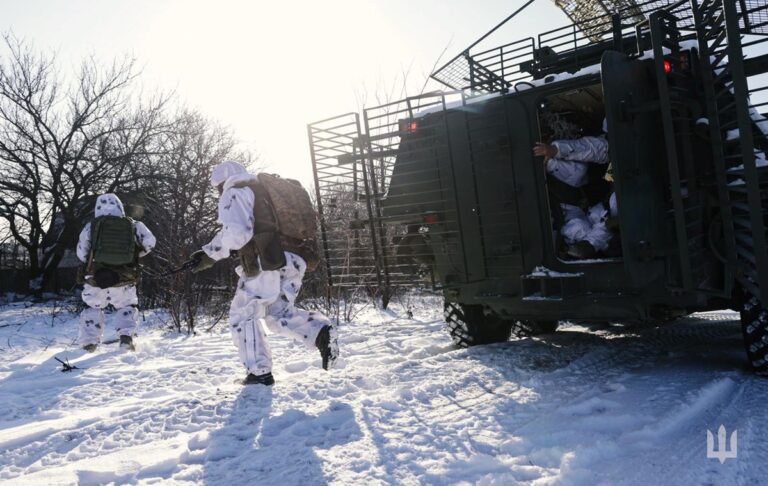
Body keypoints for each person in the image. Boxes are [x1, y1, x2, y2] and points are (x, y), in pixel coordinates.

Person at [191, 160, 338, 386]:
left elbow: (237, 234)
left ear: (221, 183)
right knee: (277, 313)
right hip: (294, 259)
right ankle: (320, 332)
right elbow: (245, 228)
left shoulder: (235, 190)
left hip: (267, 260)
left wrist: (214, 253)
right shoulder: (263, 191)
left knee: (243, 313)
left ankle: (259, 373)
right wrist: (210, 253)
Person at [76, 193, 156, 352]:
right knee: (126, 305)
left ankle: (89, 344)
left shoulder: (90, 226)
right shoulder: (133, 225)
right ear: (119, 207)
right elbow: (150, 243)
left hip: (95, 277)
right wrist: (134, 255)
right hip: (124, 276)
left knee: (93, 307)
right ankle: (126, 338)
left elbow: (81, 253)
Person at [533, 120, 615, 258]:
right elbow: (600, 231)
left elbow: (601, 148)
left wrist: (555, 150)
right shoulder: (571, 225)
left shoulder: (557, 168)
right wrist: (592, 242)